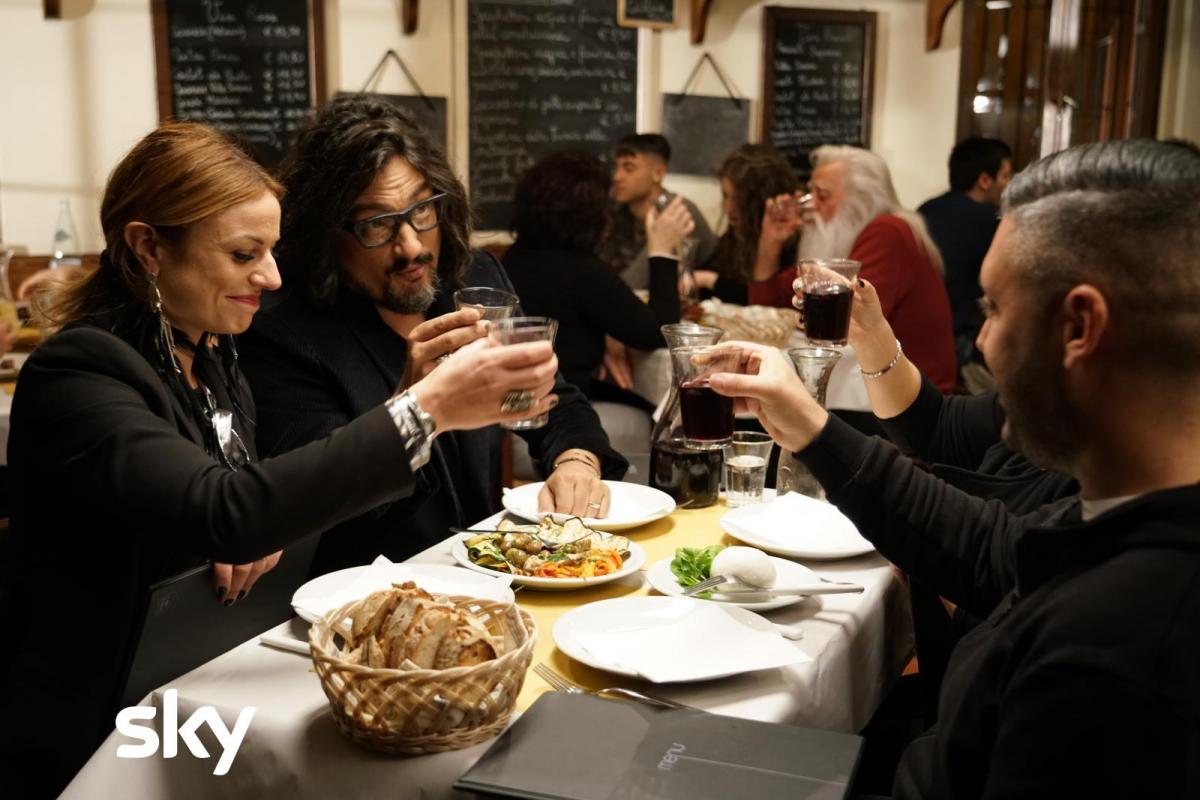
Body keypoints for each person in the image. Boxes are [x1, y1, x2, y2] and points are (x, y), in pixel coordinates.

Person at [0, 121, 560, 796]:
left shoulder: (212, 352)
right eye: (244, 254)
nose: (270, 276)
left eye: (270, 250)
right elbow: (225, 510)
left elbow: (254, 501)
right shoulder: (80, 372)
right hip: (103, 722)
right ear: (148, 246)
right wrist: (424, 410)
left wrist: (263, 515)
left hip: (206, 672)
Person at [708, 138, 1200, 797]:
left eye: (993, 309)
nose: (984, 342)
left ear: (1080, 327)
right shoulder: (1115, 512)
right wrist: (808, 424)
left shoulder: (1114, 651)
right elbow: (991, 546)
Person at [238, 97, 625, 576]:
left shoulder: (472, 279)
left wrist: (576, 461)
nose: (411, 246)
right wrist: (416, 409)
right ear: (325, 232)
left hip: (487, 574)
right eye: (377, 224)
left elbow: (552, 397)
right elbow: (323, 516)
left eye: (422, 210)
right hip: (370, 593)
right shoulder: (283, 333)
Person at [715, 145, 956, 393]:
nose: (809, 205)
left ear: (861, 201)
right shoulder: (849, 234)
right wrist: (770, 242)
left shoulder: (888, 232)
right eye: (810, 193)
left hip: (915, 398)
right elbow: (768, 300)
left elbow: (843, 324)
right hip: (875, 387)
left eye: (822, 196)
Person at [504, 150, 693, 412]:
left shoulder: (516, 256)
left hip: (520, 399)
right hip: (560, 407)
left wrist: (605, 333)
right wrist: (662, 251)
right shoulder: (581, 270)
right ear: (590, 214)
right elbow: (661, 332)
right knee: (652, 414)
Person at [918, 137, 1013, 365]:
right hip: (963, 344)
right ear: (985, 180)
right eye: (1006, 176)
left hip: (920, 334)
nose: (1009, 184)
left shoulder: (924, 210)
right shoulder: (991, 221)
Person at [596, 133, 716, 291]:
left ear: (657, 174)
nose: (617, 177)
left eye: (628, 168)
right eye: (616, 167)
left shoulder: (678, 214)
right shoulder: (619, 210)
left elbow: (634, 283)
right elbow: (598, 267)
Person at [691, 144, 801, 303]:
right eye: (725, 195)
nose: (727, 208)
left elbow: (765, 301)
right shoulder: (735, 234)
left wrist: (710, 280)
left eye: (738, 199)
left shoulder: (789, 236)